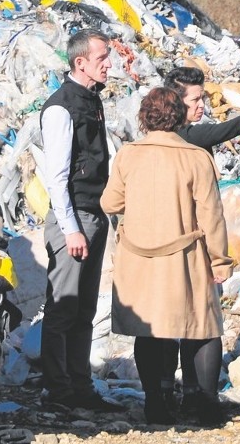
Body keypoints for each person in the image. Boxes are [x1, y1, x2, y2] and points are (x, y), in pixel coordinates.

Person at [100, 87, 233, 425]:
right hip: (183, 255)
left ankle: (155, 401)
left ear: (145, 117)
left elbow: (110, 203)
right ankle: (203, 403)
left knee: (151, 328)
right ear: (178, 116)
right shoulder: (196, 157)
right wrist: (220, 260)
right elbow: (211, 216)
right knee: (202, 327)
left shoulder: (128, 155)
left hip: (139, 256)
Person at [160, 66, 240, 417]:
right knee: (199, 320)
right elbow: (227, 129)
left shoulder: (158, 138)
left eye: (204, 98)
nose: (202, 105)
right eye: (195, 99)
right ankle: (198, 399)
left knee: (174, 322)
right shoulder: (183, 139)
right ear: (175, 102)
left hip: (169, 243)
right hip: (186, 243)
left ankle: (167, 397)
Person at [39, 28, 122, 411]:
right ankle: (59, 391)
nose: (109, 64)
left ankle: (80, 387)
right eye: (102, 58)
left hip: (94, 216)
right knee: (63, 308)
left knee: (84, 309)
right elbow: (56, 176)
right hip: (74, 220)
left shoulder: (91, 100)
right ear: (81, 62)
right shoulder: (61, 107)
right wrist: (71, 229)